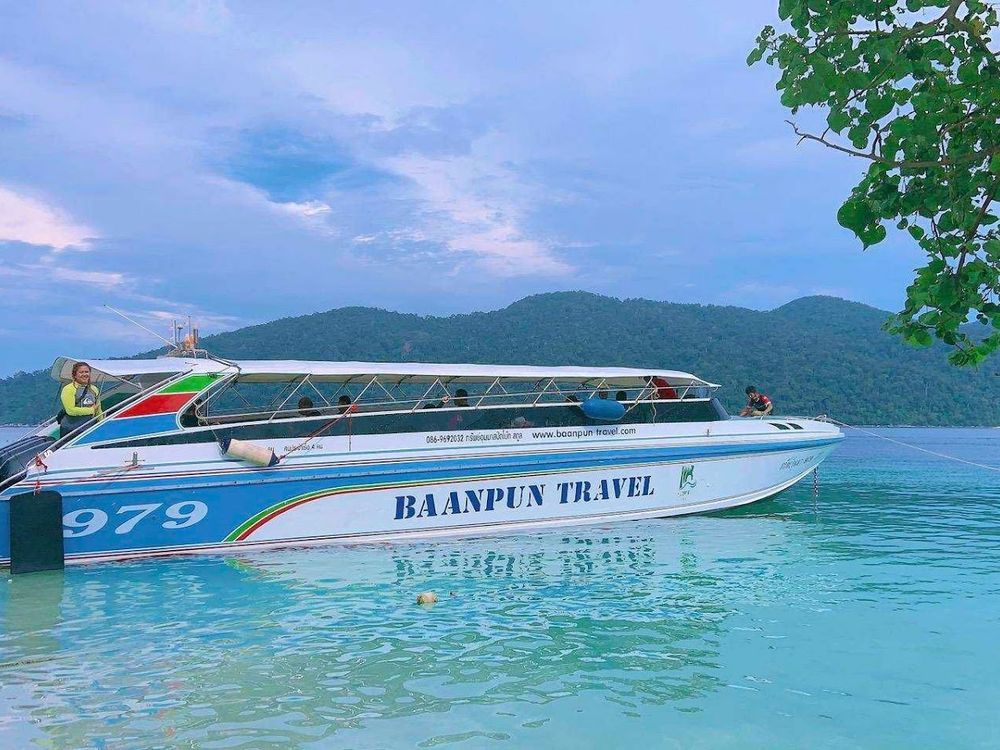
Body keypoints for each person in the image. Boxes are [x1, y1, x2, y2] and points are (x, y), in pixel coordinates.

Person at [58, 362, 102, 437]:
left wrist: (101, 424)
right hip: (70, 429)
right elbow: (70, 410)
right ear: (74, 375)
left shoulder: (94, 389)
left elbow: (98, 410)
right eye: (81, 372)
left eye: (87, 372)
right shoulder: (69, 389)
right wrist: (91, 410)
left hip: (89, 429)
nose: (84, 374)